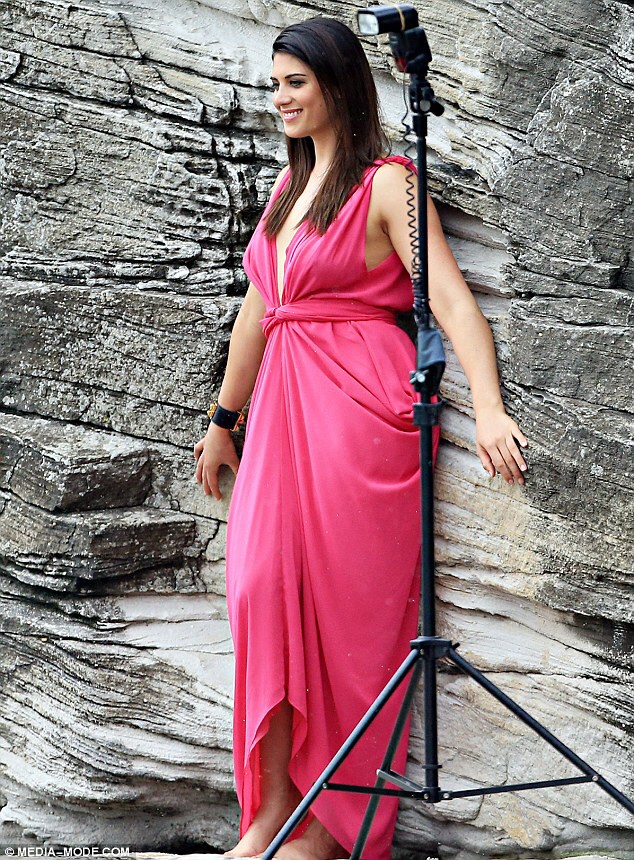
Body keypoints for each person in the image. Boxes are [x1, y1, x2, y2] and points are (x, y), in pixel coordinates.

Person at [193, 16, 528, 860]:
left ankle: (327, 826)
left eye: (295, 83)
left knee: (345, 618)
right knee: (260, 591)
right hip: (281, 411)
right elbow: (259, 311)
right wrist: (223, 420)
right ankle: (270, 813)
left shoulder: (388, 183)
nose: (279, 98)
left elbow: (450, 301)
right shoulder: (288, 186)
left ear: (339, 85)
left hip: (358, 413)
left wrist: (489, 406)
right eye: (274, 84)